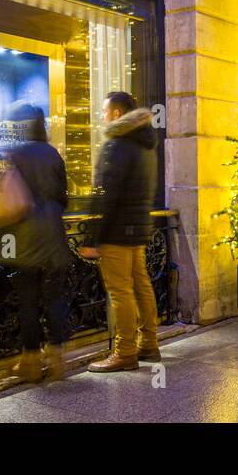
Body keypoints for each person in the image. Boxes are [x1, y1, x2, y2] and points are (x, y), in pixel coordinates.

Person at [0, 102, 72, 383]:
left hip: (20, 239)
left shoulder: (4, 152)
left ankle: (30, 361)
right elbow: (63, 197)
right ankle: (56, 356)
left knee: (28, 300)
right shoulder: (52, 154)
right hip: (54, 237)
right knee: (55, 296)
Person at [80, 91, 159, 372]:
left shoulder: (117, 145)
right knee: (140, 284)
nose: (102, 116)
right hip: (137, 228)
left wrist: (93, 236)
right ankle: (148, 342)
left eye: (104, 110)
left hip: (117, 231)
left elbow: (105, 195)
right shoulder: (145, 144)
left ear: (116, 114)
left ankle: (125, 351)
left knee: (120, 291)